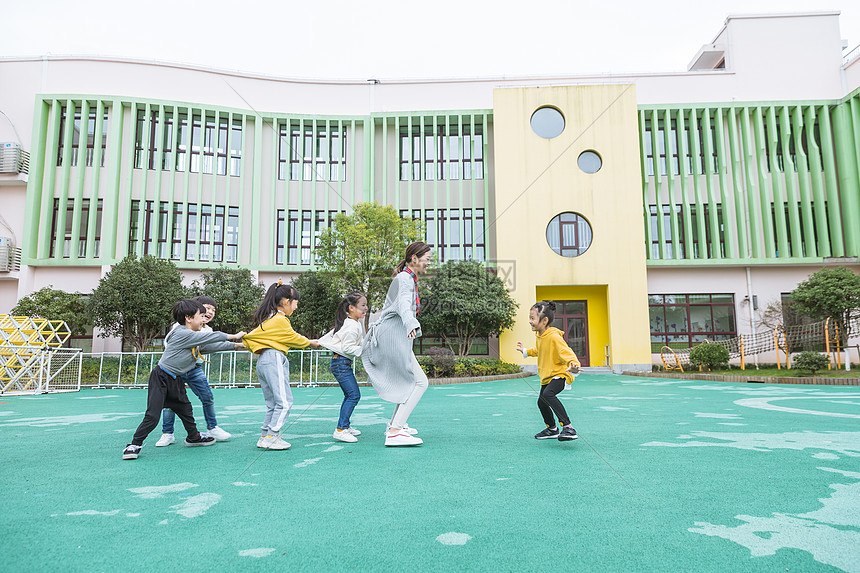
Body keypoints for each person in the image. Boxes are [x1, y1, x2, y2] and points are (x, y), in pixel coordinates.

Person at [122, 300, 246, 460]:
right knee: (153, 416)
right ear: (188, 318)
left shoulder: (192, 336)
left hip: (175, 379)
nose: (204, 320)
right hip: (161, 378)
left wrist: (237, 346)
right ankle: (134, 444)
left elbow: (208, 347)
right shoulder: (182, 332)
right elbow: (210, 337)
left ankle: (193, 437)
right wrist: (234, 336)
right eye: (201, 316)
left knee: (185, 409)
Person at [362, 241, 431, 447]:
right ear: (414, 259)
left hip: (394, 336)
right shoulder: (405, 278)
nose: (429, 263)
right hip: (392, 336)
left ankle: (396, 424)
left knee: (408, 382)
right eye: (427, 260)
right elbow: (402, 304)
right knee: (420, 382)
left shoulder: (408, 278)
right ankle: (395, 431)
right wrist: (411, 322)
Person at [242, 281, 319, 451]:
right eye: (296, 303)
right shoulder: (279, 320)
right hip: (274, 358)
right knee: (284, 402)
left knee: (273, 403)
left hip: (264, 360)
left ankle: (265, 435)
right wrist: (309, 342)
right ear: (286, 301)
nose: (296, 308)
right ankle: (271, 436)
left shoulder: (268, 317)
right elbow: (292, 337)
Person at [156, 295, 233, 447]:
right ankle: (167, 433)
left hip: (194, 368)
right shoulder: (179, 326)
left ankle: (212, 428)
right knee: (170, 403)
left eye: (213, 310)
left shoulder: (208, 329)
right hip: (176, 371)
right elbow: (169, 344)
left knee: (207, 397)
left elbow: (209, 346)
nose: (210, 312)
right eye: (206, 308)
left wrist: (237, 345)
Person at [516, 301, 581, 442]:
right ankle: (552, 429)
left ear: (544, 321)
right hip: (548, 377)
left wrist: (574, 365)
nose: (530, 321)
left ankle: (568, 427)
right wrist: (526, 351)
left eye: (533, 318)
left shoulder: (554, 336)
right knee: (542, 402)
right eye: (530, 318)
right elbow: (539, 350)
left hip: (559, 374)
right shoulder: (540, 336)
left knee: (548, 394)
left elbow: (567, 353)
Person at [318, 292, 368, 443]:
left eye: (366, 305)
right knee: (354, 395)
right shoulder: (352, 326)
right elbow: (347, 347)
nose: (366, 308)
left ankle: (345, 426)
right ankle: (340, 429)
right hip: (341, 363)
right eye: (363, 306)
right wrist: (362, 350)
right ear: (351, 308)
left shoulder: (353, 323)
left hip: (342, 363)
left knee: (350, 395)